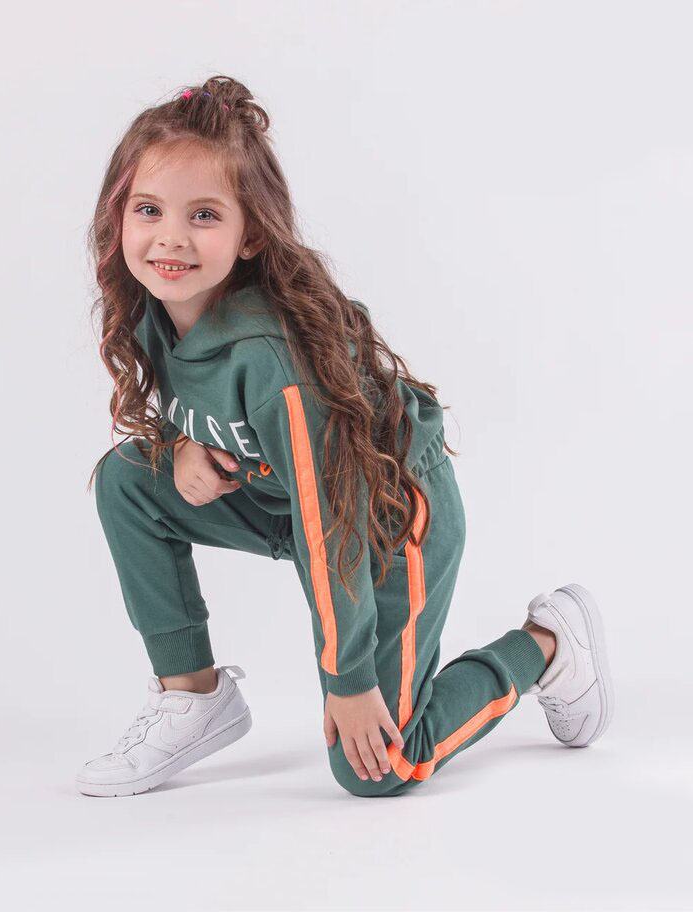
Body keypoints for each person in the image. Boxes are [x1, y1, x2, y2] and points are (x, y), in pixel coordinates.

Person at [76, 75, 614, 799]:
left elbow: (332, 522)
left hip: (386, 519)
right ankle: (191, 696)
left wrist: (349, 680)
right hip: (284, 495)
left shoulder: (271, 363)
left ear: (250, 234)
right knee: (126, 481)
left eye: (203, 215)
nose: (170, 237)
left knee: (381, 767)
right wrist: (180, 447)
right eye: (148, 209)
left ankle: (545, 647)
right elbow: (201, 405)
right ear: (119, 215)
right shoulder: (156, 302)